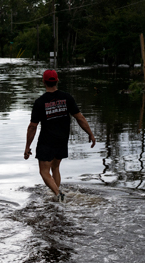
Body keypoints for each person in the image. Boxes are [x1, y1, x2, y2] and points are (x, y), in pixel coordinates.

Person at [24, 69, 96, 202]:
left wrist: (27, 147)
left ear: (43, 82)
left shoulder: (40, 102)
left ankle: (58, 194)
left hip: (47, 141)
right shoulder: (66, 98)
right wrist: (90, 134)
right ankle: (57, 197)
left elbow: (32, 126)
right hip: (62, 140)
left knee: (44, 172)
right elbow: (79, 117)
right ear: (57, 81)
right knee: (55, 167)